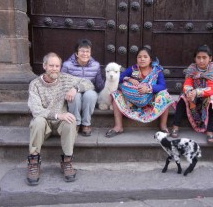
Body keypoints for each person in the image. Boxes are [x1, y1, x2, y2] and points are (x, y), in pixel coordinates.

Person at [27, 52, 94, 186]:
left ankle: (67, 160)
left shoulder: (65, 79)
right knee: (38, 121)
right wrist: (58, 115)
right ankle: (34, 161)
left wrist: (75, 89)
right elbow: (36, 110)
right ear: (44, 66)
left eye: (57, 66)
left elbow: (88, 83)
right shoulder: (34, 84)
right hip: (44, 123)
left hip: (60, 124)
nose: (55, 68)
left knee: (70, 121)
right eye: (51, 65)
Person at [106, 47, 174, 137]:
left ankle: (163, 126)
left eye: (145, 57)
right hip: (132, 101)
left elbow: (162, 86)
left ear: (150, 59)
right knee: (116, 94)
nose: (142, 59)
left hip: (150, 101)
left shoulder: (157, 71)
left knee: (165, 95)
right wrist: (129, 79)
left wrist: (149, 88)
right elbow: (120, 77)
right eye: (139, 57)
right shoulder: (133, 69)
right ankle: (118, 126)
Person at [171, 45, 213, 143]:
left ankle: (210, 131)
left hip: (209, 95)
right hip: (194, 96)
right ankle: (175, 126)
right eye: (198, 58)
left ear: (210, 58)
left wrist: (197, 92)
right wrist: (190, 92)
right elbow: (188, 83)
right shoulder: (192, 68)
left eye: (204, 58)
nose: (201, 60)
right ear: (195, 58)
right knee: (183, 97)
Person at [61, 39, 104, 136]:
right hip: (72, 92)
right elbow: (62, 82)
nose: (85, 54)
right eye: (82, 51)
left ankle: (86, 124)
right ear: (76, 53)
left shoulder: (95, 65)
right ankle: (75, 123)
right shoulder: (67, 65)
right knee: (75, 97)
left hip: (89, 91)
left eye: (87, 51)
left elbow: (99, 85)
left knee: (90, 95)